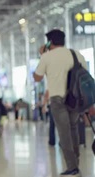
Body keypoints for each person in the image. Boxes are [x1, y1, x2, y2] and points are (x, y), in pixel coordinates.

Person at [34, 29, 86, 177]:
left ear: (50, 42)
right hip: (74, 98)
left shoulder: (47, 56)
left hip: (58, 99)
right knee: (73, 129)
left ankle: (72, 167)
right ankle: (75, 162)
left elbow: (37, 78)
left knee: (64, 134)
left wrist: (42, 55)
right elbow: (85, 75)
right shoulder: (76, 54)